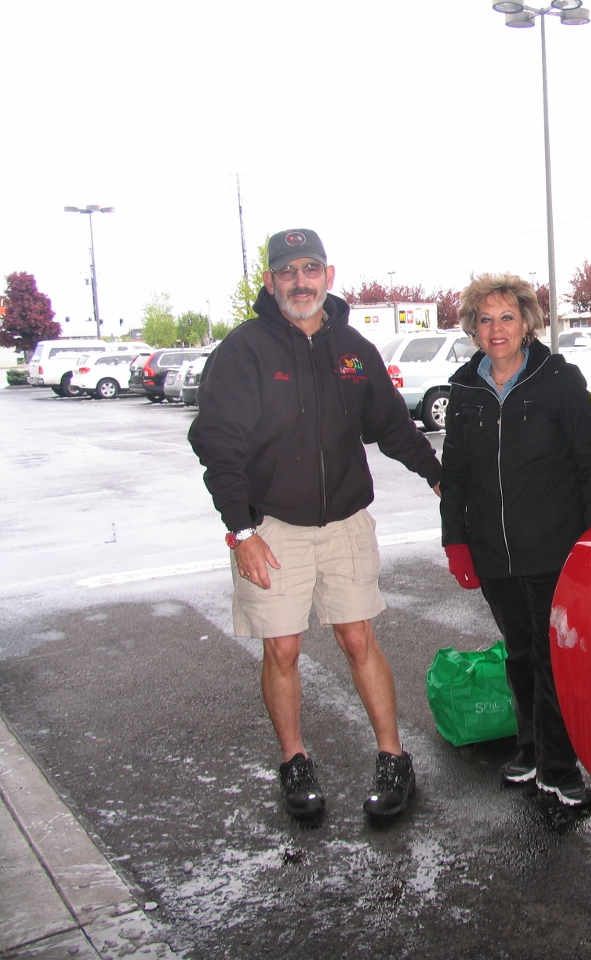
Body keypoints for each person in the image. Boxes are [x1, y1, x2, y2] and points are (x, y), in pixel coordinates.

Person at [189, 228, 442, 823]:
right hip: (272, 527)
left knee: (359, 638)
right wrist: (241, 531)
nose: (299, 281)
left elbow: (390, 424)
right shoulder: (244, 350)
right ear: (272, 281)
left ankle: (393, 758)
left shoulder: (353, 348)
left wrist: (438, 476)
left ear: (328, 275)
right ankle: (294, 760)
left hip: (346, 520)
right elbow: (217, 444)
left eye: (310, 268)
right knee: (282, 648)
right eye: (287, 272)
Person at [440, 274, 591, 807]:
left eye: (507, 317)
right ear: (473, 327)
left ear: (528, 322)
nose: (497, 329)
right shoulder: (465, 387)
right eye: (486, 319)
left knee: (551, 658)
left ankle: (560, 766)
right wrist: (456, 540)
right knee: (518, 653)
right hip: (493, 552)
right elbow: (457, 472)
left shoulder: (559, 378)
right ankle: (531, 747)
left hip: (554, 547)